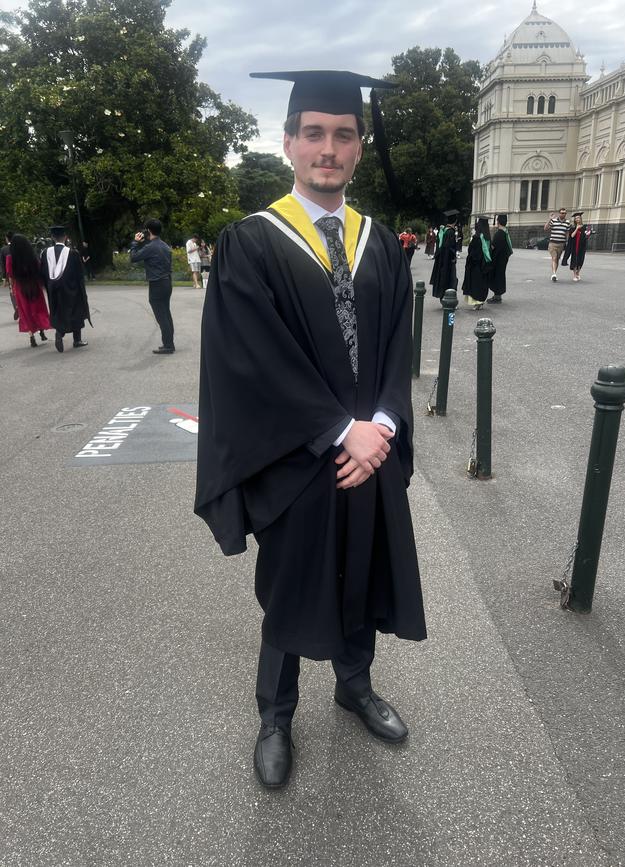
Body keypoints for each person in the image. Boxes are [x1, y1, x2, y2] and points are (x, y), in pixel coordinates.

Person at [195, 69, 427, 790]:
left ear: (358, 149)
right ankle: (276, 711)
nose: (329, 148)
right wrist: (338, 430)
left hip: (371, 454)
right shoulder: (251, 242)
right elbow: (253, 361)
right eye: (315, 134)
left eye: (344, 135)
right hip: (297, 459)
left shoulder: (380, 242)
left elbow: (396, 343)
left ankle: (354, 687)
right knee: (292, 587)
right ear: (289, 143)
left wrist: (382, 424)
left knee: (363, 568)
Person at [40, 226, 91, 352]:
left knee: (59, 312)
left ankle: (60, 332)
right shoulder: (73, 253)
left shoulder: (46, 253)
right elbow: (80, 274)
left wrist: (49, 287)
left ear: (52, 237)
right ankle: (77, 340)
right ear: (66, 237)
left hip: (54, 290)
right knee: (76, 312)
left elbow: (43, 273)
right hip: (72, 289)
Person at [130, 218, 175, 354]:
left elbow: (133, 257)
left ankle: (168, 345)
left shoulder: (151, 247)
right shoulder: (164, 246)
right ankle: (168, 342)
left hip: (157, 283)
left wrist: (135, 243)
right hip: (167, 281)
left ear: (148, 231)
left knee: (161, 315)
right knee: (166, 313)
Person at [6, 233, 51, 347]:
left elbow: (10, 275)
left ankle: (31, 336)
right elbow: (39, 269)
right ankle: (41, 330)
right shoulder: (32, 256)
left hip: (20, 287)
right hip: (34, 285)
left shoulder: (10, 258)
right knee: (38, 308)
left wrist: (11, 288)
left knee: (25, 312)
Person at [462, 216, 493, 309]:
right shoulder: (487, 237)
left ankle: (477, 302)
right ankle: (481, 301)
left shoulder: (477, 238)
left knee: (476, 283)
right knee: (483, 283)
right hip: (484, 265)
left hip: (476, 266)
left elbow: (472, 252)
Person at [429, 209, 459, 302]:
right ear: (455, 221)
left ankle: (443, 297)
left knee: (443, 277)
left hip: (441, 259)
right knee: (450, 279)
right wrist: (454, 257)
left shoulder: (443, 231)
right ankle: (448, 299)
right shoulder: (450, 232)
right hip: (448, 261)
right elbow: (449, 248)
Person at [487, 214, 513, 304]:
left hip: (497, 260)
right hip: (503, 259)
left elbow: (493, 247)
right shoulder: (505, 233)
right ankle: (498, 296)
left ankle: (497, 297)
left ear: (498, 222)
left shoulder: (499, 234)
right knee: (500, 276)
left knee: (497, 277)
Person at [561, 212, 591, 281]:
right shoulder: (573, 227)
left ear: (581, 219)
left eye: (578, 218)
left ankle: (578, 273)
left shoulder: (585, 227)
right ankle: (574, 275)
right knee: (574, 260)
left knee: (581, 260)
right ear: (574, 220)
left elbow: (587, 236)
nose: (577, 219)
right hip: (575, 246)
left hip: (582, 246)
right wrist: (577, 228)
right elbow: (572, 236)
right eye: (576, 218)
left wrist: (589, 232)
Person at [544, 207, 571, 281]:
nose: (563, 214)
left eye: (565, 213)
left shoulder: (567, 222)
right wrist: (549, 219)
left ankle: (554, 273)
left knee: (557, 260)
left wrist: (567, 241)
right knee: (554, 258)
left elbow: (567, 233)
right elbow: (545, 228)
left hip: (561, 244)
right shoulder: (554, 221)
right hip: (553, 243)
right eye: (562, 213)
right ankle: (553, 274)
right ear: (559, 213)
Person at [1, 231, 19, 321]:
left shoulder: (4, 249)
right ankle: (22, 307)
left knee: (12, 292)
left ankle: (16, 306)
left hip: (10, 274)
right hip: (21, 274)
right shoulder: (19, 247)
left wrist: (4, 278)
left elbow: (3, 265)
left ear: (7, 238)